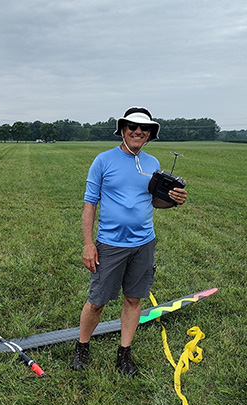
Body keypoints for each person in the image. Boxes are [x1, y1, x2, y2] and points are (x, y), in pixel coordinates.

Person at [71, 107, 187, 376]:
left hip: (144, 243)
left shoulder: (152, 163)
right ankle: (82, 347)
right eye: (132, 126)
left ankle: (124, 353)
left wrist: (174, 201)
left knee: (134, 300)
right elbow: (90, 204)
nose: (138, 131)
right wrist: (89, 244)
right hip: (110, 244)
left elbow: (155, 202)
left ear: (149, 134)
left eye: (144, 128)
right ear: (122, 130)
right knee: (97, 301)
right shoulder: (103, 160)